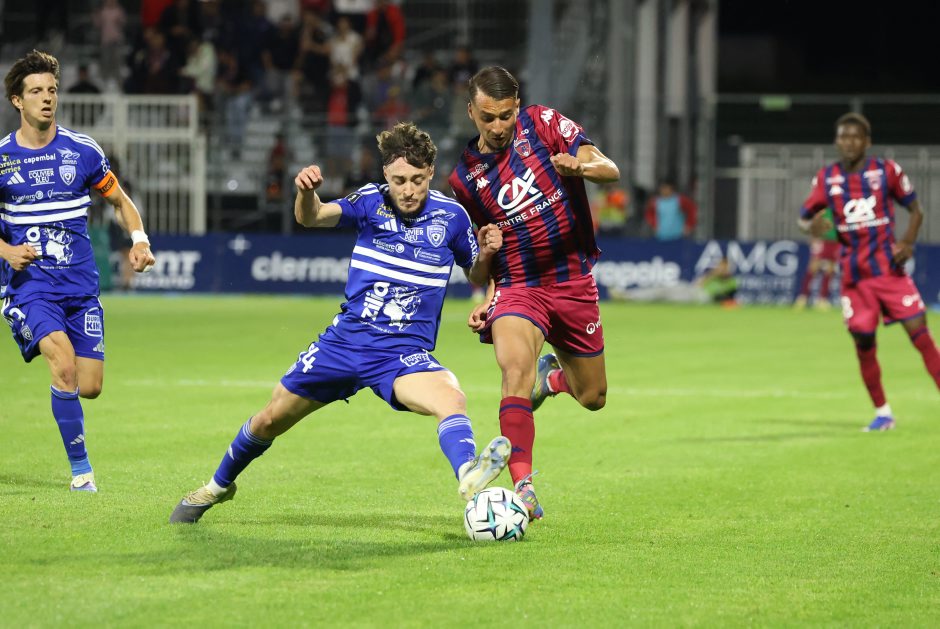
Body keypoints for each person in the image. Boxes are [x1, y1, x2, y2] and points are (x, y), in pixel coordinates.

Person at [170, 122, 510, 524]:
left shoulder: (451, 217)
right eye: (399, 180)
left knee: (451, 398)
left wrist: (487, 257)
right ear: (385, 174)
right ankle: (217, 487)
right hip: (343, 344)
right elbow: (312, 217)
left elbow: (477, 274)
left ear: (431, 173)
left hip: (400, 354)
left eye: (417, 180)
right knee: (269, 419)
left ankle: (468, 472)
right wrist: (305, 192)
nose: (408, 190)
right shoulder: (369, 202)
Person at [448, 66, 620, 520]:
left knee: (593, 396)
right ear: (471, 113)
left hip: (572, 282)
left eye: (505, 115)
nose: (498, 126)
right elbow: (479, 266)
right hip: (519, 287)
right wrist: (488, 285)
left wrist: (581, 166)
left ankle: (554, 380)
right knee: (514, 372)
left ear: (518, 108)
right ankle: (523, 488)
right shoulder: (464, 180)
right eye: (488, 117)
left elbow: (610, 169)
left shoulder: (543, 125)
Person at [0, 50, 156, 492]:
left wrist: (139, 240)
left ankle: (61, 385)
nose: (47, 98)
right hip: (30, 287)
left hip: (80, 288)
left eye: (52, 90)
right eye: (36, 91)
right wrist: (6, 251)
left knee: (89, 386)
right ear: (17, 100)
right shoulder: (2, 159)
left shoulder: (82, 151)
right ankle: (82, 474)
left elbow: (120, 201)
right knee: (64, 367)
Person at [798, 112, 940, 431]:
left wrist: (908, 241)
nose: (849, 142)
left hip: (889, 272)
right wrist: (812, 227)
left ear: (867, 142)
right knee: (863, 343)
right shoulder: (827, 178)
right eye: (843, 137)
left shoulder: (886, 171)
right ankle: (883, 413)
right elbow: (804, 218)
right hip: (855, 279)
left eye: (855, 137)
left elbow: (916, 209)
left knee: (920, 335)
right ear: (836, 141)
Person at [793, 207, 839, 311]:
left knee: (830, 270)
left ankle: (822, 299)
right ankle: (803, 297)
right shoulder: (822, 206)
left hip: (835, 240)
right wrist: (813, 237)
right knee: (813, 267)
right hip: (822, 238)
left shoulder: (839, 204)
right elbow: (811, 220)